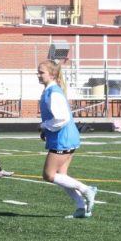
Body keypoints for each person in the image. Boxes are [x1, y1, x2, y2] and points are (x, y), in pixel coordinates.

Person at [37, 60, 98, 218]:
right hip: (64, 137)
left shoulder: (54, 93)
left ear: (52, 74)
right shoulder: (50, 91)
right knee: (62, 176)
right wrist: (46, 129)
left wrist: (44, 126)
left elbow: (61, 119)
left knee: (49, 175)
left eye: (41, 72)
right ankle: (81, 208)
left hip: (63, 138)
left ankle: (86, 190)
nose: (38, 75)